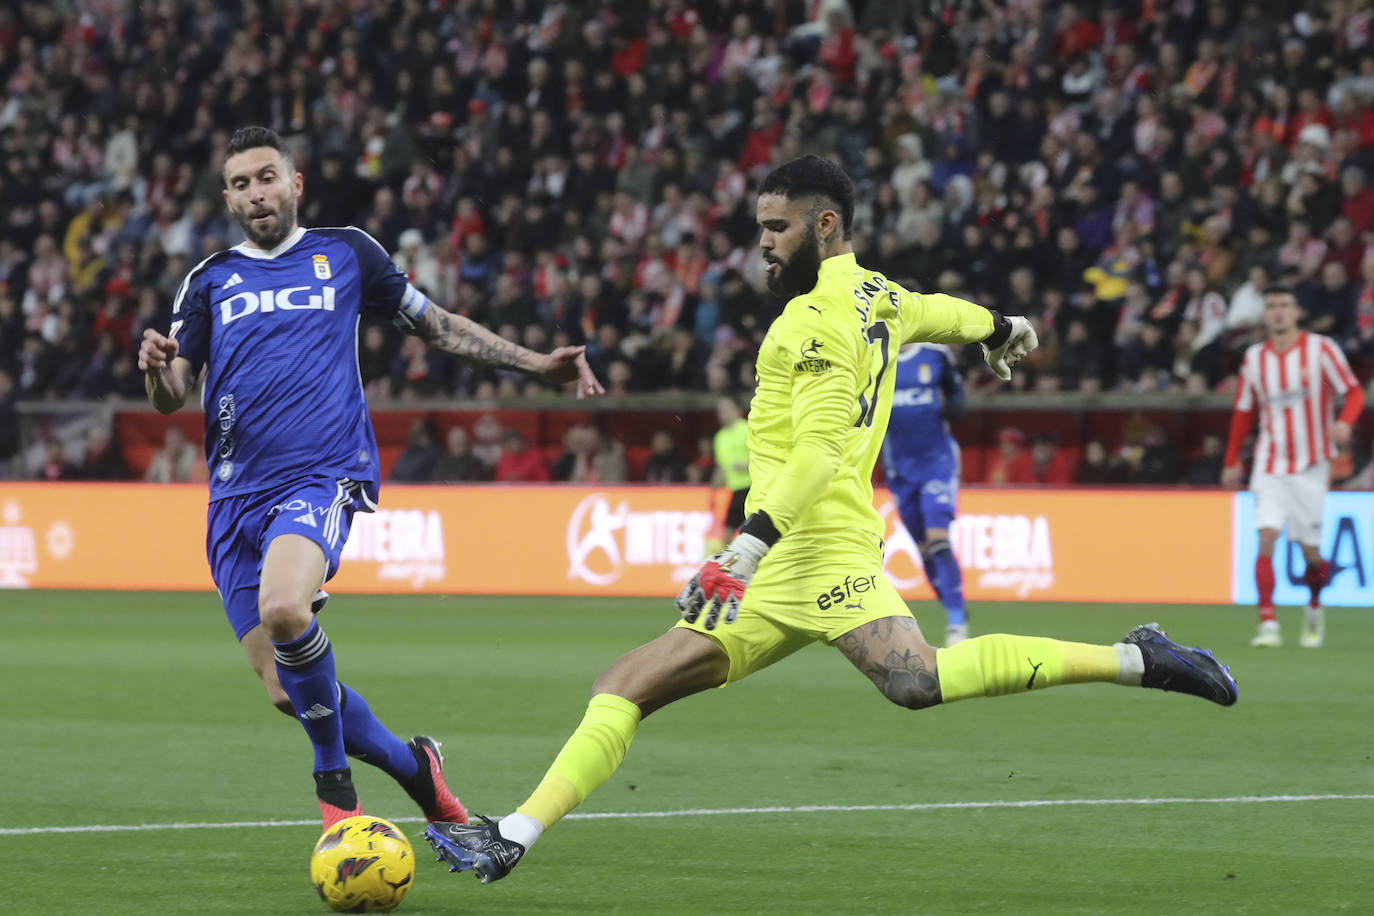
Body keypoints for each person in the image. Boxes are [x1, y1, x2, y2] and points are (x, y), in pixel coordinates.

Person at [425, 154, 1237, 884]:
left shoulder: (812, 322)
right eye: (759, 229)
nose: (764, 245)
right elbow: (940, 311)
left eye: (777, 228)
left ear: (825, 225)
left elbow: (816, 451)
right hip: (789, 556)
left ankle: (1138, 658)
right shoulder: (877, 294)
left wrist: (744, 549)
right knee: (633, 684)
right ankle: (512, 835)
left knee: (913, 681)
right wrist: (1005, 327)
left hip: (813, 548)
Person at [136, 127, 602, 830]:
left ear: (295, 183)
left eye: (267, 177)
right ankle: (420, 770)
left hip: (321, 475)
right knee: (285, 689)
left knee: (286, 610)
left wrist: (537, 365)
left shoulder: (345, 253)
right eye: (240, 184)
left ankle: (335, 791)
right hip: (233, 498)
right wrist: (154, 368)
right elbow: (173, 392)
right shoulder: (210, 281)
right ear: (228, 198)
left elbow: (437, 326)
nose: (255, 193)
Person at [1222, 287, 1364, 648]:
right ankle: (1268, 625)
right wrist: (1231, 460)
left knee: (1310, 553)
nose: (1278, 313)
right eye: (1271, 307)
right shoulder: (1254, 359)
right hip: (1270, 463)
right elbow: (1243, 413)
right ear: (1265, 315)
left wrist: (1345, 421)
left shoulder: (1321, 349)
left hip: (1312, 465)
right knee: (1266, 537)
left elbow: (1354, 391)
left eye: (1285, 305)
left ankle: (1314, 606)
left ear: (1297, 311)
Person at [881, 341, 969, 644]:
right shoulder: (877, 354)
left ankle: (956, 623)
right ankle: (952, 607)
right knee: (924, 549)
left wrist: (955, 405)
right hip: (899, 470)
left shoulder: (935, 354)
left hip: (937, 462)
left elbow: (955, 387)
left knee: (938, 539)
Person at [707, 394, 750, 552]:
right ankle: (731, 571)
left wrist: (748, 465)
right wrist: (712, 494)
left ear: (736, 410)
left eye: (726, 409)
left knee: (752, 534)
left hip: (753, 488)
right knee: (727, 537)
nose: (722, 413)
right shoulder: (720, 437)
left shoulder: (747, 428)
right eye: (720, 410)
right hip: (735, 491)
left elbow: (765, 456)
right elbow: (721, 468)